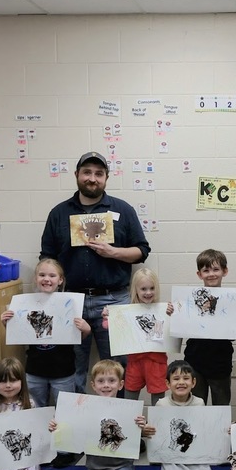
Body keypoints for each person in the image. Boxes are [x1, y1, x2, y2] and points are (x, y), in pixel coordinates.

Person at [40, 150, 151, 392]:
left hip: (114, 299)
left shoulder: (123, 209)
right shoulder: (59, 213)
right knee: (72, 367)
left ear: (106, 178)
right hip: (71, 300)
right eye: (87, 172)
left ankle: (120, 424)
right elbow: (47, 256)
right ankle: (78, 422)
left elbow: (142, 251)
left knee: (117, 368)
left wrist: (114, 253)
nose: (93, 178)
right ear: (77, 175)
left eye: (99, 174)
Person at [50, 359, 154, 470]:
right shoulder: (85, 410)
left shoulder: (129, 410)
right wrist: (56, 427)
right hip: (96, 469)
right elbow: (69, 431)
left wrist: (142, 429)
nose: (106, 385)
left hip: (121, 467)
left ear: (121, 384)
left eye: (112, 381)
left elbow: (137, 435)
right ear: (93, 385)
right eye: (101, 381)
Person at [0, 258, 91, 408]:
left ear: (60, 280)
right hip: (35, 370)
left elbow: (77, 337)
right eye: (42, 275)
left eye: (52, 276)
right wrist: (6, 323)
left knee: (65, 410)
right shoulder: (25, 305)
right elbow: (18, 333)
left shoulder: (71, 304)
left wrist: (86, 330)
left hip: (63, 371)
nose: (46, 279)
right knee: (36, 410)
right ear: (35, 279)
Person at [138, 360, 219, 470]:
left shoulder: (199, 403)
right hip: (172, 459)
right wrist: (145, 431)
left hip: (195, 457)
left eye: (186, 378)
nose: (181, 382)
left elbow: (205, 429)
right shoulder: (162, 404)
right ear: (168, 384)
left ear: (193, 383)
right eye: (176, 379)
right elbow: (155, 433)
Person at [181, 249, 236, 406]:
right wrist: (174, 312)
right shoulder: (189, 299)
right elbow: (183, 327)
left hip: (221, 362)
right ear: (199, 274)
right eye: (206, 270)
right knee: (195, 407)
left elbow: (233, 334)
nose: (211, 274)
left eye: (216, 269)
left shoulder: (233, 300)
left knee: (221, 407)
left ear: (224, 271)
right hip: (195, 360)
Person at [122, 268, 168, 407]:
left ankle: (157, 427)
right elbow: (108, 326)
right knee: (129, 399)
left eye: (152, 288)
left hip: (156, 360)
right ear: (136, 289)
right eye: (143, 289)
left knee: (158, 403)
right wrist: (107, 316)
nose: (148, 292)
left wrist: (172, 314)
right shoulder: (127, 311)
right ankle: (129, 426)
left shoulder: (164, 310)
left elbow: (174, 328)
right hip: (135, 360)